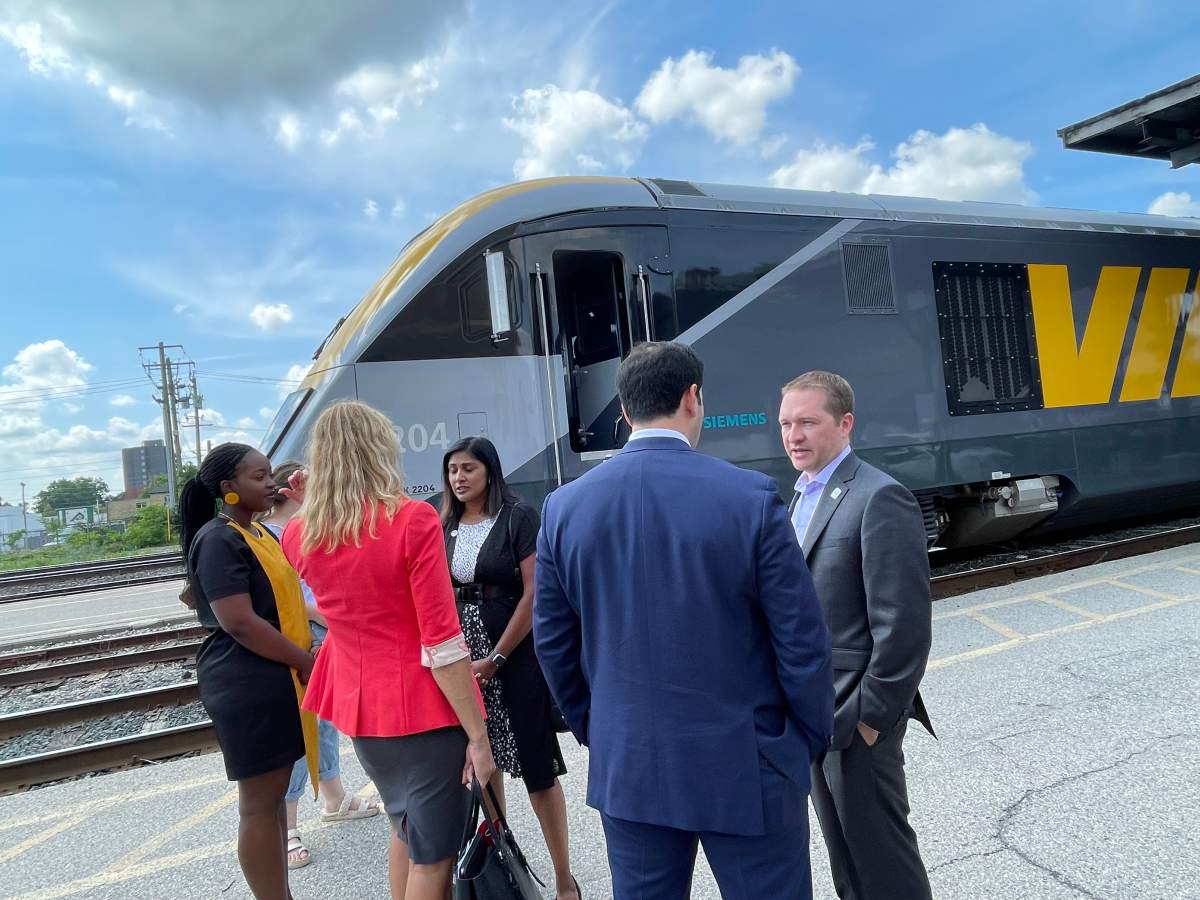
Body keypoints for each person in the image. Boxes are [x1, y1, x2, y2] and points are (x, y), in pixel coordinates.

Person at [534, 341, 833, 900]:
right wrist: (805, 739)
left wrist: (602, 729)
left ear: (625, 411)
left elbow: (553, 644)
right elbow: (800, 639)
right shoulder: (749, 497)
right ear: (693, 397)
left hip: (630, 764)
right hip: (748, 761)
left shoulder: (564, 508)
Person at [279, 400, 495, 900]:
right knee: (434, 858)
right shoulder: (412, 520)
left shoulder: (299, 533)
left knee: (406, 829)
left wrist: (311, 501)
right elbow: (442, 642)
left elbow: (341, 560)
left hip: (361, 709)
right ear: (380, 450)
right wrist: (478, 735)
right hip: (424, 711)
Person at [778, 371, 934, 900]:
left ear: (845, 423)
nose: (794, 435)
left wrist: (871, 720)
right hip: (815, 711)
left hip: (857, 715)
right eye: (786, 424)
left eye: (807, 422)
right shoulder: (801, 497)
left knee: (883, 859)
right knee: (846, 859)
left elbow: (904, 626)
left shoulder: (879, 496)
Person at [440, 437, 579, 900]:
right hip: (465, 657)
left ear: (490, 471)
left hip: (513, 656)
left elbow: (534, 591)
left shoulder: (517, 517)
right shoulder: (445, 523)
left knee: (537, 767)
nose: (459, 478)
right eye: (453, 470)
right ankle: (506, 870)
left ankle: (564, 879)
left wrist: (497, 657)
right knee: (484, 761)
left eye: (468, 469)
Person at [179, 443, 317, 900]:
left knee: (273, 797)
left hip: (270, 676)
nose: (271, 484)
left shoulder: (254, 532)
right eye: (259, 477)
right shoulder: (219, 539)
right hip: (247, 680)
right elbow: (238, 621)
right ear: (228, 488)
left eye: (270, 474)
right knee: (259, 804)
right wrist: (303, 660)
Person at [259, 461, 381, 869]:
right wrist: (336, 617)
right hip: (303, 641)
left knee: (325, 721)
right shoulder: (274, 536)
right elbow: (295, 597)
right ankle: (288, 826)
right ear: (293, 488)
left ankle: (334, 797)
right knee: (301, 729)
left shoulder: (304, 529)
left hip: (321, 639)